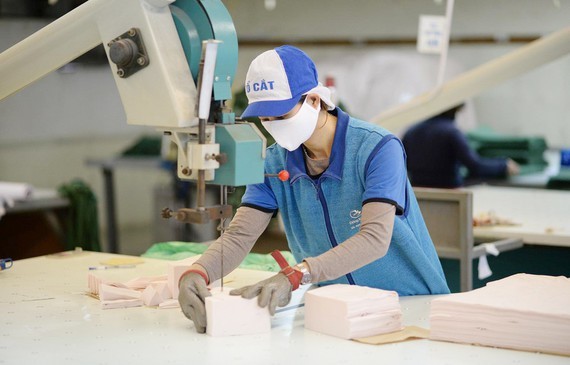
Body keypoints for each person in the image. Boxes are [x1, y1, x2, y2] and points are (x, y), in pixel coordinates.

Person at [179, 45, 450, 333]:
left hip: (410, 304)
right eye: (265, 118)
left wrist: (298, 274)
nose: (272, 125)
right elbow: (241, 235)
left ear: (313, 100)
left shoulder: (377, 148)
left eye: (280, 115)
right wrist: (199, 272)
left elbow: (374, 238)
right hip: (336, 310)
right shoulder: (273, 161)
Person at [402, 104, 520, 188]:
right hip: (450, 195)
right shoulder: (452, 132)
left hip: (418, 197)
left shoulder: (411, 132)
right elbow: (475, 166)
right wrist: (503, 166)